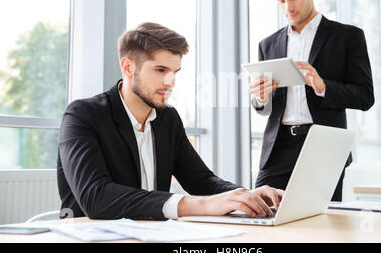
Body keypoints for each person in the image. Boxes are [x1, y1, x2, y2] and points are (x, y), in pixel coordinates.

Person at [57, 22, 283, 220]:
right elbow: (96, 197)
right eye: (160, 70)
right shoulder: (82, 116)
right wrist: (196, 205)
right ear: (128, 67)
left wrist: (245, 196)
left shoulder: (168, 118)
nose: (170, 82)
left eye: (175, 72)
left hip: (152, 235)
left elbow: (201, 181)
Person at [249, 0, 374, 201]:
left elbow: (365, 97)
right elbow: (264, 109)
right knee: (262, 214)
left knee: (322, 225)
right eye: (281, 1)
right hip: (277, 148)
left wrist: (323, 87)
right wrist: (260, 98)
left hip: (323, 146)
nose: (288, 7)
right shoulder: (268, 44)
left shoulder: (348, 37)